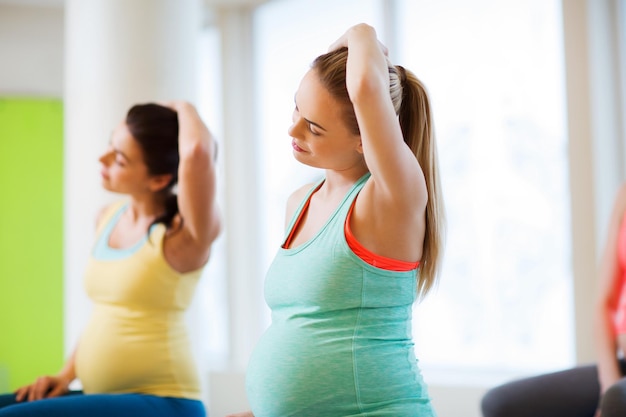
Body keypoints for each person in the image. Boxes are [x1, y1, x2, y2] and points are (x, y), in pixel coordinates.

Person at [229, 23, 445, 417]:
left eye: (313, 127)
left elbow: (364, 87)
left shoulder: (391, 199)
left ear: (365, 137)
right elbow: (308, 334)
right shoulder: (300, 202)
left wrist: (364, 36)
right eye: (297, 107)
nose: (292, 129)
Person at [0, 101, 221, 417]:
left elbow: (198, 152)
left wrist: (183, 106)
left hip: (166, 402)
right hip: (104, 395)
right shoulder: (108, 217)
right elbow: (106, 313)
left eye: (119, 159)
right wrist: (65, 375)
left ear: (158, 179)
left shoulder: (183, 236)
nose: (102, 159)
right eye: (110, 145)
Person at [481, 184, 626, 417]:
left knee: (617, 402)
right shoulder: (624, 196)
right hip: (620, 367)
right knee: (500, 404)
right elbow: (604, 303)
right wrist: (608, 381)